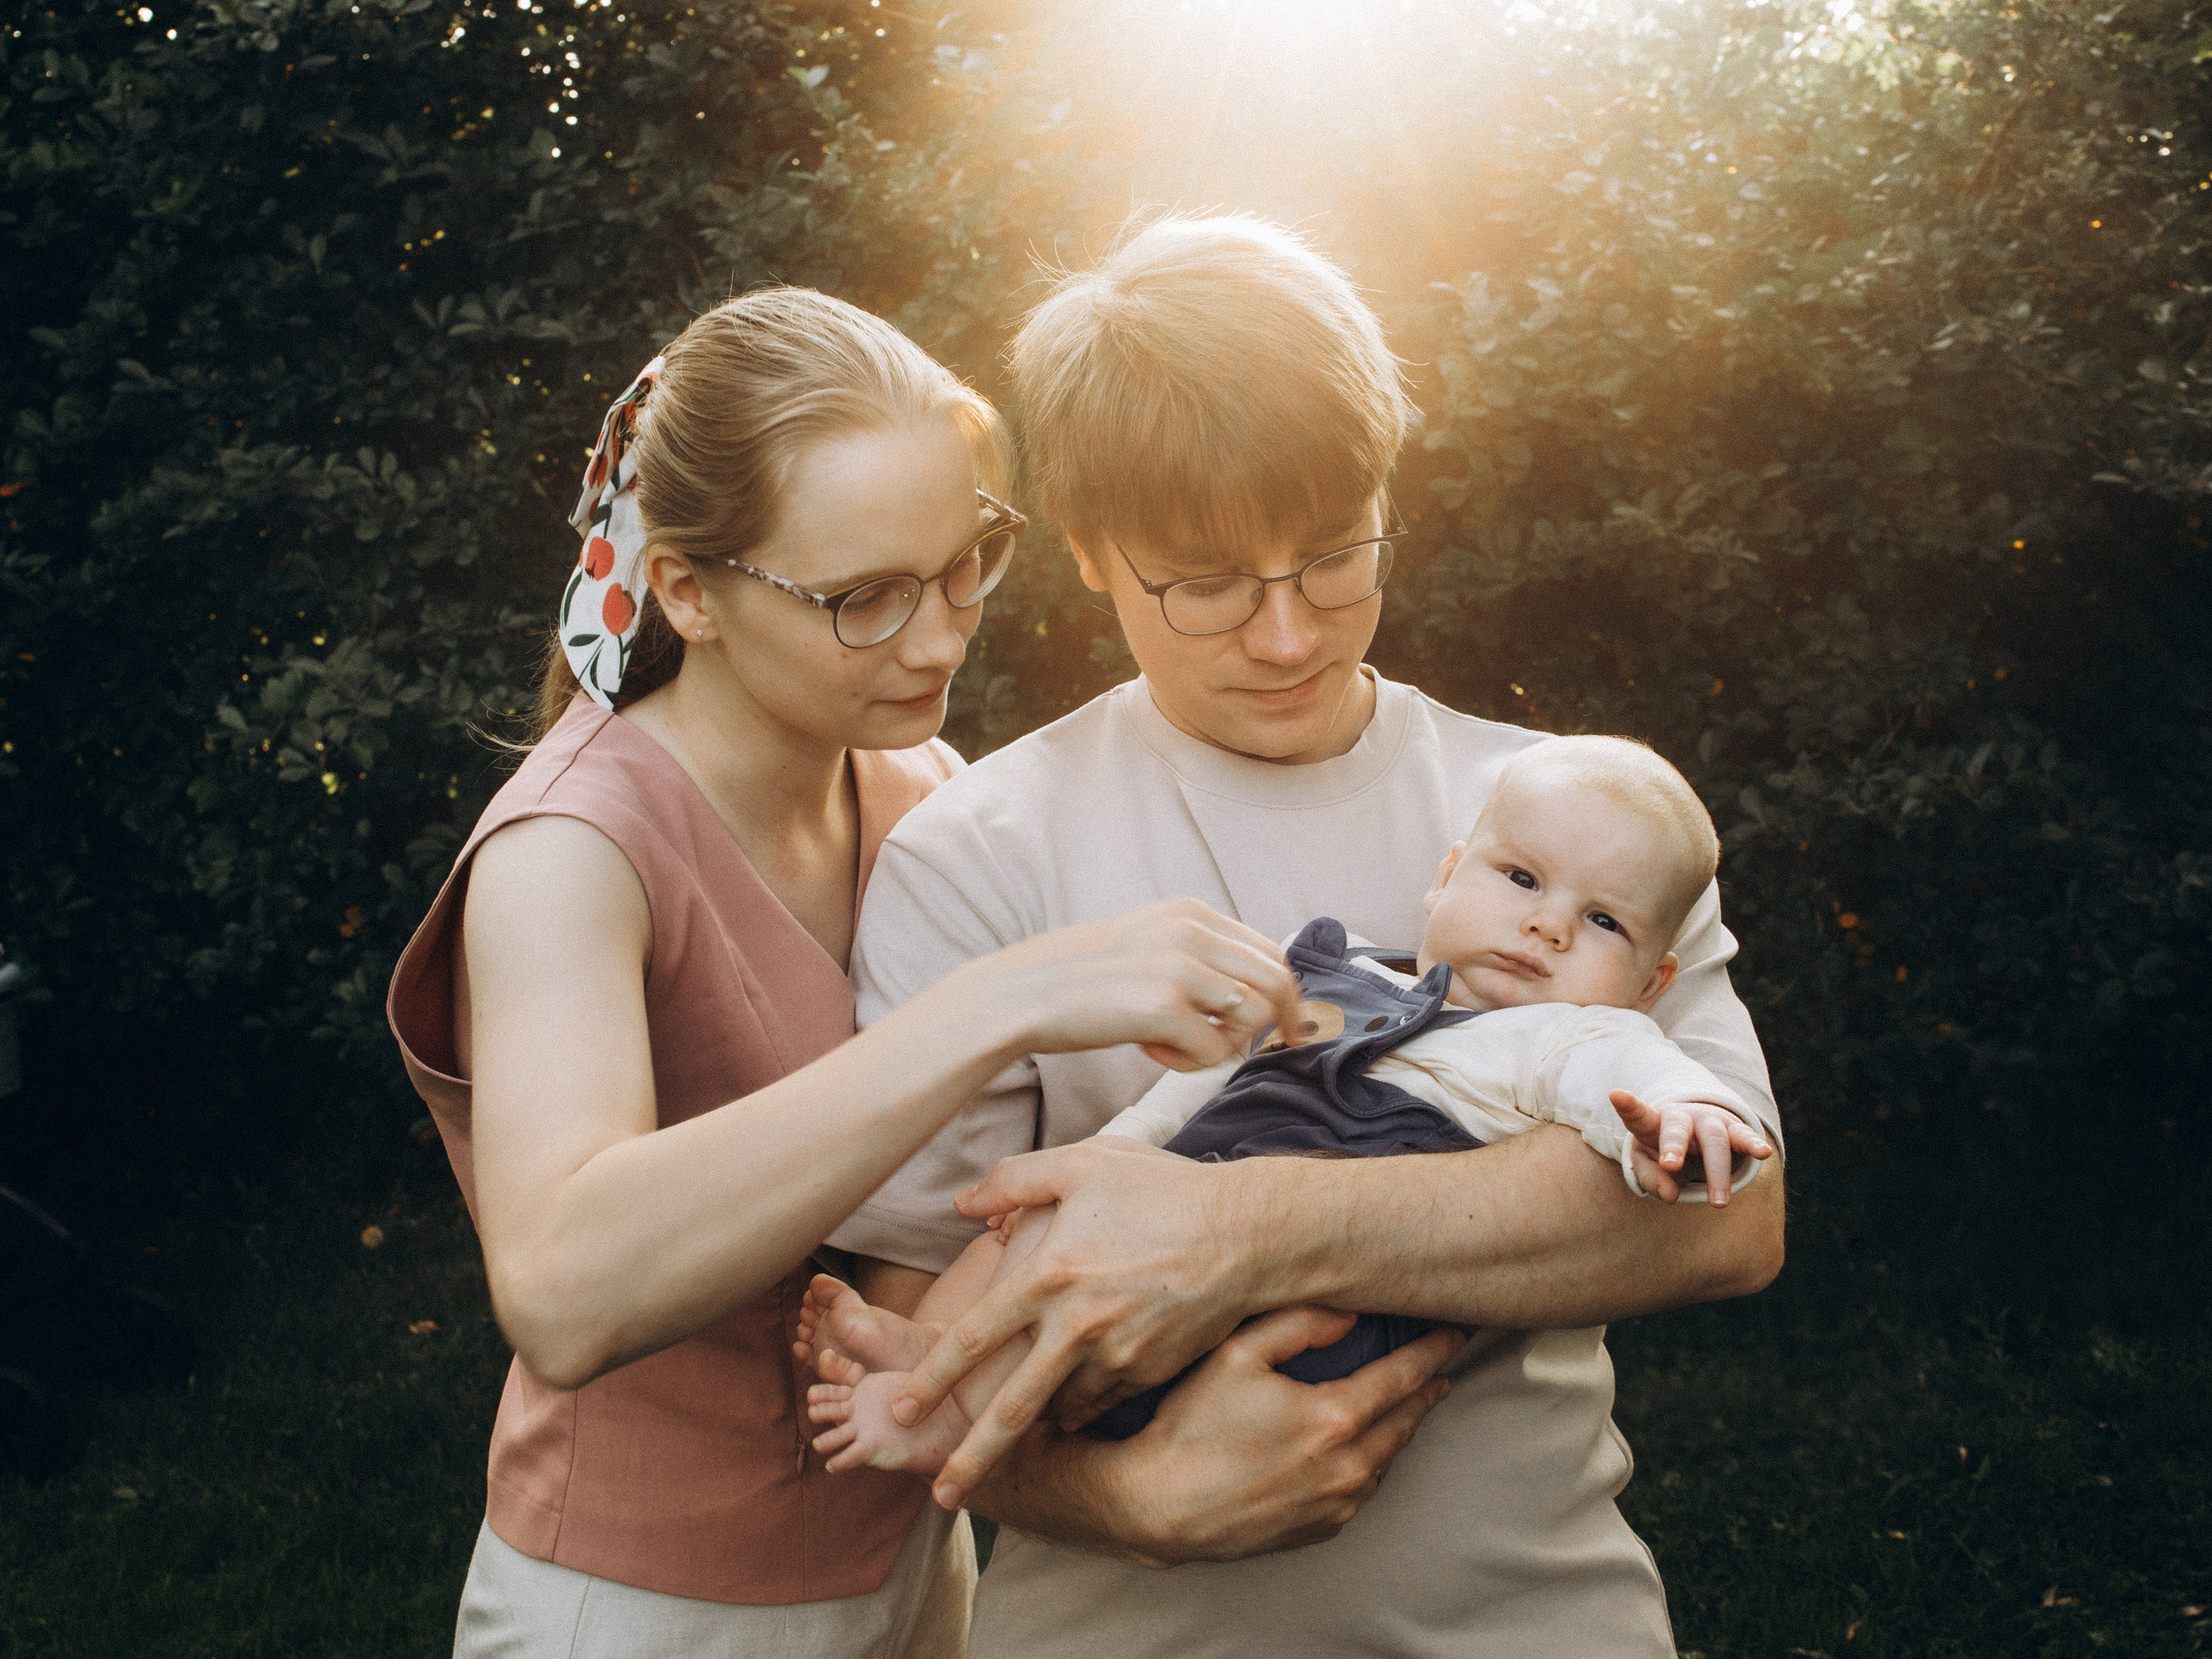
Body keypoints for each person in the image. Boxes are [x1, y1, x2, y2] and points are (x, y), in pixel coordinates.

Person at [824, 217, 1789, 1656]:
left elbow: (1732, 1219)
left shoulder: (1576, 826)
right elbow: (909, 1324)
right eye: (1204, 582)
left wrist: (1237, 1230)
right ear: (1086, 554)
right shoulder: (979, 854)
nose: (1284, 635)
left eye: (1333, 557)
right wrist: (1130, 1496)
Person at [385, 287, 1300, 1658]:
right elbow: (565, 1291)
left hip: (911, 1559)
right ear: (689, 590)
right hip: (646, 1606)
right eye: (863, 598)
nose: (938, 637)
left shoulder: (917, 782)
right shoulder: (571, 847)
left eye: (964, 564)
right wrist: (1003, 1000)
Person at [798, 734, 1777, 1475]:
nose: (1545, 924)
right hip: (1177, 1186)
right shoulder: (1340, 971)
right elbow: (1198, 1087)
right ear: (1445, 876)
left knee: (1155, 1318)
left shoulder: (1572, 1036)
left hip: (1319, 1304)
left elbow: (1639, 1086)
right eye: (1519, 878)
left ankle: (968, 1409)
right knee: (1033, 1227)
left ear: (1652, 984)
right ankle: (935, 1358)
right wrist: (1109, 1157)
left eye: (1601, 921)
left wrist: (1684, 1118)